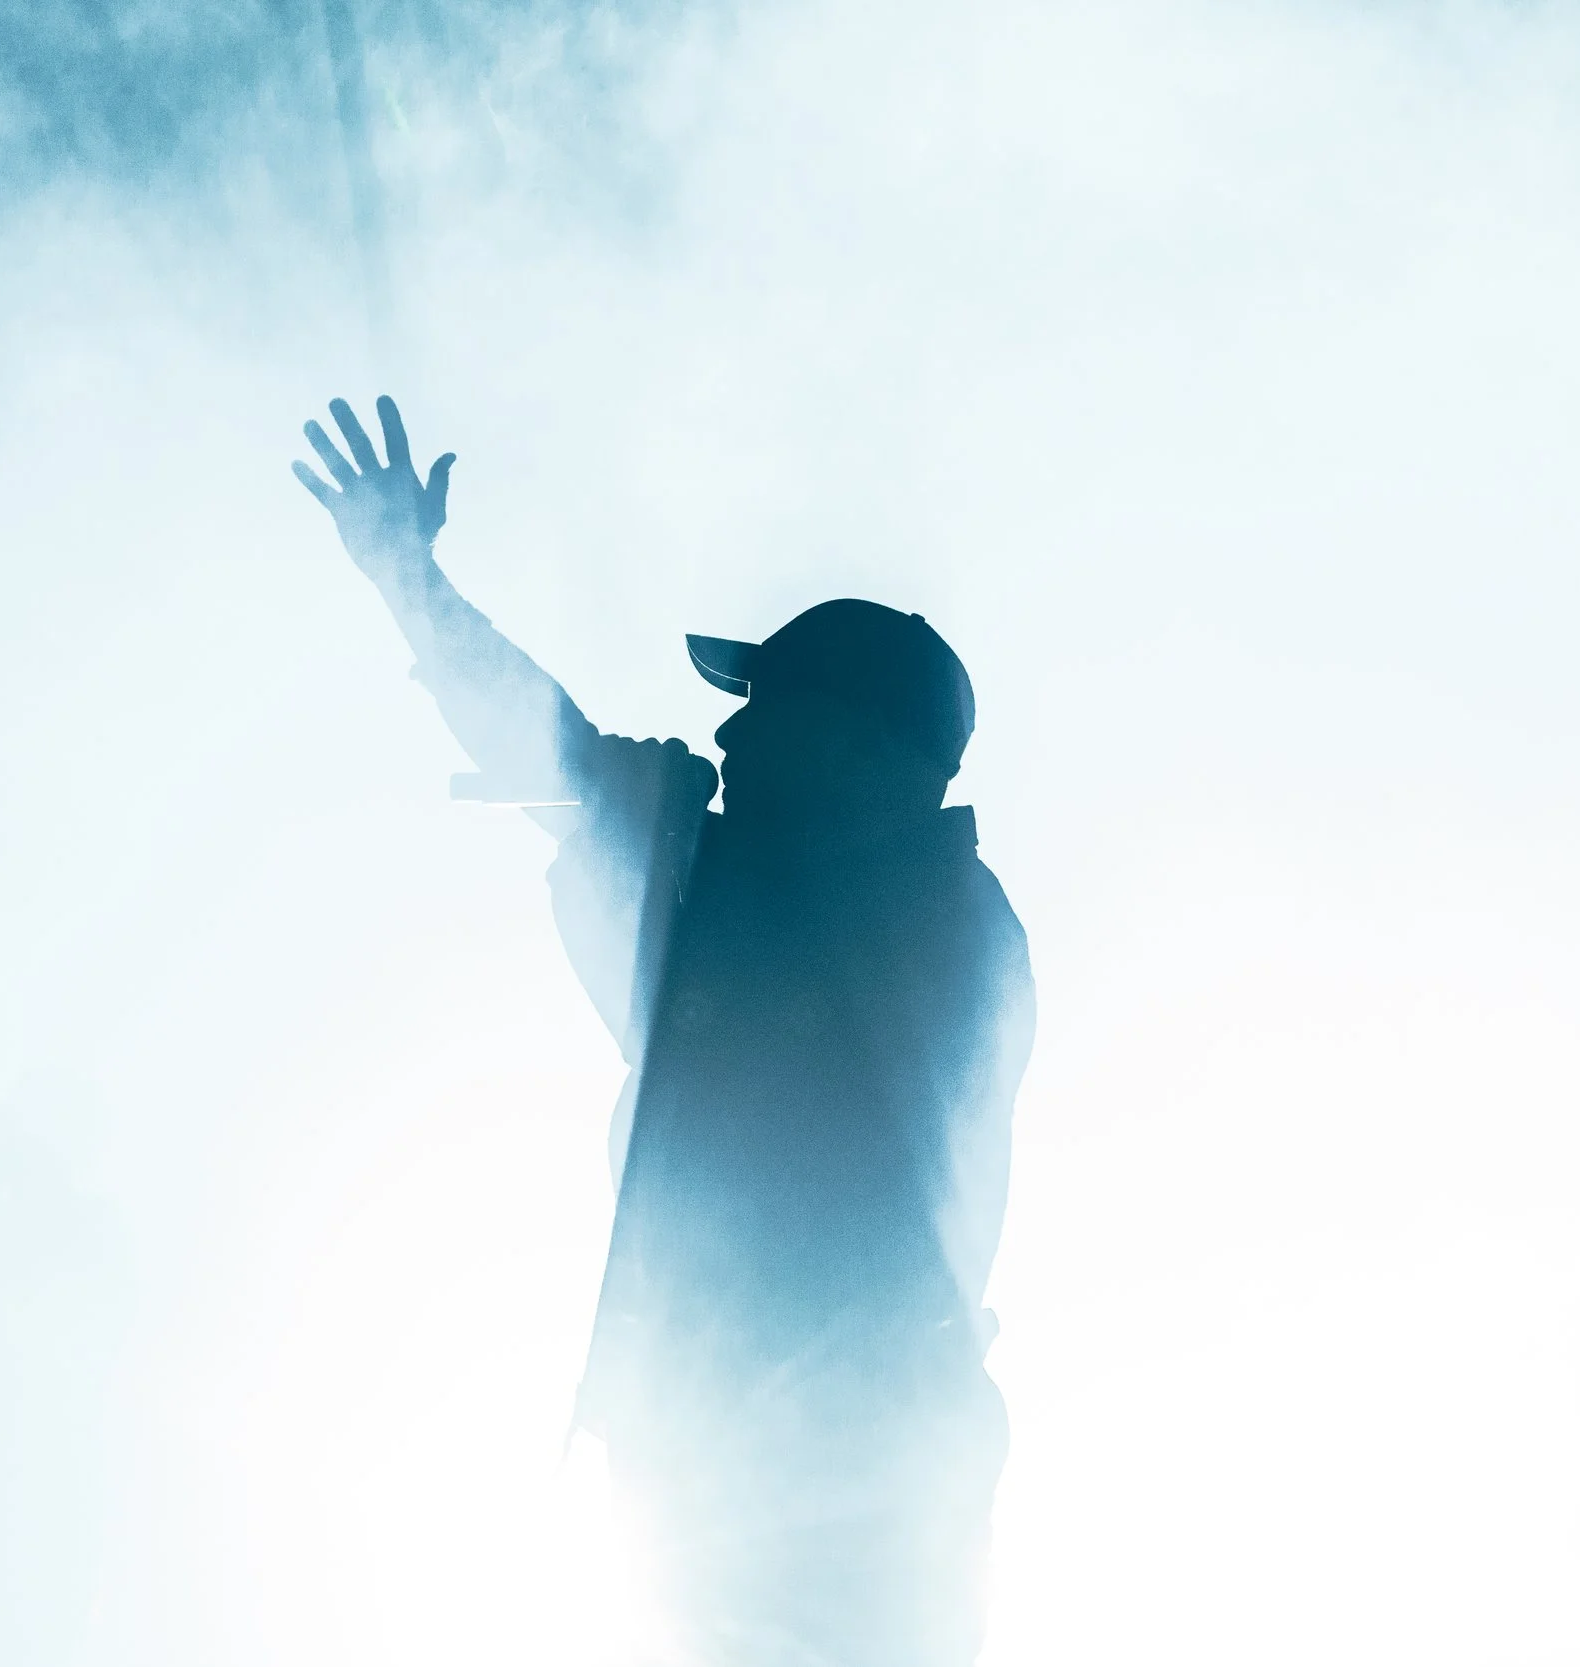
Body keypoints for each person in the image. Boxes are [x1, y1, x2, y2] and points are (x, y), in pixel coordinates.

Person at [294, 396, 1036, 1667]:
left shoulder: (944, 925)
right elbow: (553, 748)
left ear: (860, 743)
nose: (732, 730)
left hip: (839, 1473)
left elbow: (582, 771)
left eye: (774, 705)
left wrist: (667, 822)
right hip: (744, 1459)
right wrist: (412, 586)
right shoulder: (792, 876)